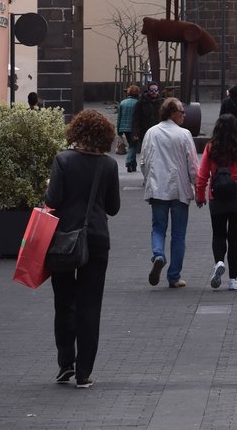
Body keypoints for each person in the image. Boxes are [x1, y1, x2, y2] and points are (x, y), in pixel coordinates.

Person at [44, 109, 120, 387]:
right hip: (97, 239)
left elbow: (53, 199)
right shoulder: (109, 166)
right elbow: (113, 207)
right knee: (90, 306)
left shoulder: (63, 160)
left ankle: (66, 363)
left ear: (75, 131)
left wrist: (49, 185)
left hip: (64, 240)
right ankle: (85, 372)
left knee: (64, 303)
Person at [195, 114, 237, 291]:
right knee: (234, 238)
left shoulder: (211, 148)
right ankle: (233, 280)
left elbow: (202, 176)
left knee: (218, 234)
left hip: (217, 197)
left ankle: (218, 262)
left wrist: (200, 195)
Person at [140, 96, 198, 288]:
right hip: (180, 189)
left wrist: (148, 179)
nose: (184, 115)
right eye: (181, 112)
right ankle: (174, 276)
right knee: (178, 234)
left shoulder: (151, 133)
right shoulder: (184, 134)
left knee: (158, 228)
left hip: (158, 188)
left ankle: (158, 254)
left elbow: (144, 160)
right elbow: (192, 165)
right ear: (173, 113)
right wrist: (197, 187)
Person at [131, 80, 162, 150]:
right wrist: (135, 133)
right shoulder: (140, 103)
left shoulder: (162, 103)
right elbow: (135, 118)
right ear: (148, 91)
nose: (154, 92)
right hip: (145, 133)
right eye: (151, 90)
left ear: (158, 91)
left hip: (159, 133)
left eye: (155, 90)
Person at [116, 83, 141, 172]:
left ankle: (133, 165)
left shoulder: (123, 102)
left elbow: (119, 117)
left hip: (124, 128)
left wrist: (118, 130)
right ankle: (129, 162)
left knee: (132, 144)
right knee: (133, 145)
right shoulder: (138, 103)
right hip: (135, 128)